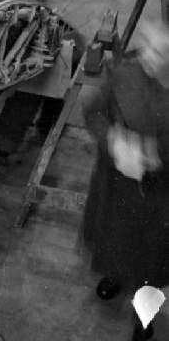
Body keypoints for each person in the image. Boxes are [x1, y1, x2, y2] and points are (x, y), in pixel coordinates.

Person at [80, 18, 169, 341]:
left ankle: (143, 320)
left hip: (159, 201)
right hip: (116, 188)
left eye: (161, 54)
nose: (149, 57)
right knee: (114, 243)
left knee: (151, 266)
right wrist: (113, 143)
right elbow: (93, 113)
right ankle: (116, 275)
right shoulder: (125, 74)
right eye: (148, 48)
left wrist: (154, 155)